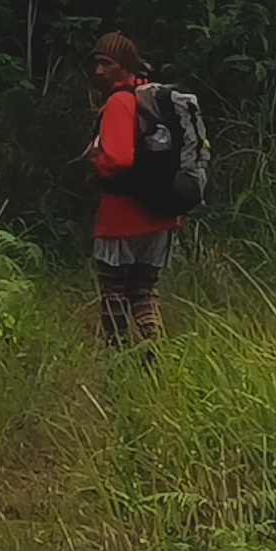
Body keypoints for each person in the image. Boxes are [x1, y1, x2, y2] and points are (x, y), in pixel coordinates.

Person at [87, 30, 179, 347]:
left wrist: (97, 160)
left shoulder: (120, 103)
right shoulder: (159, 99)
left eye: (105, 63)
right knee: (145, 291)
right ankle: (152, 349)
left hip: (120, 218)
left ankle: (118, 356)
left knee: (114, 292)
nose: (98, 71)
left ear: (125, 65)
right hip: (162, 215)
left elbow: (119, 158)